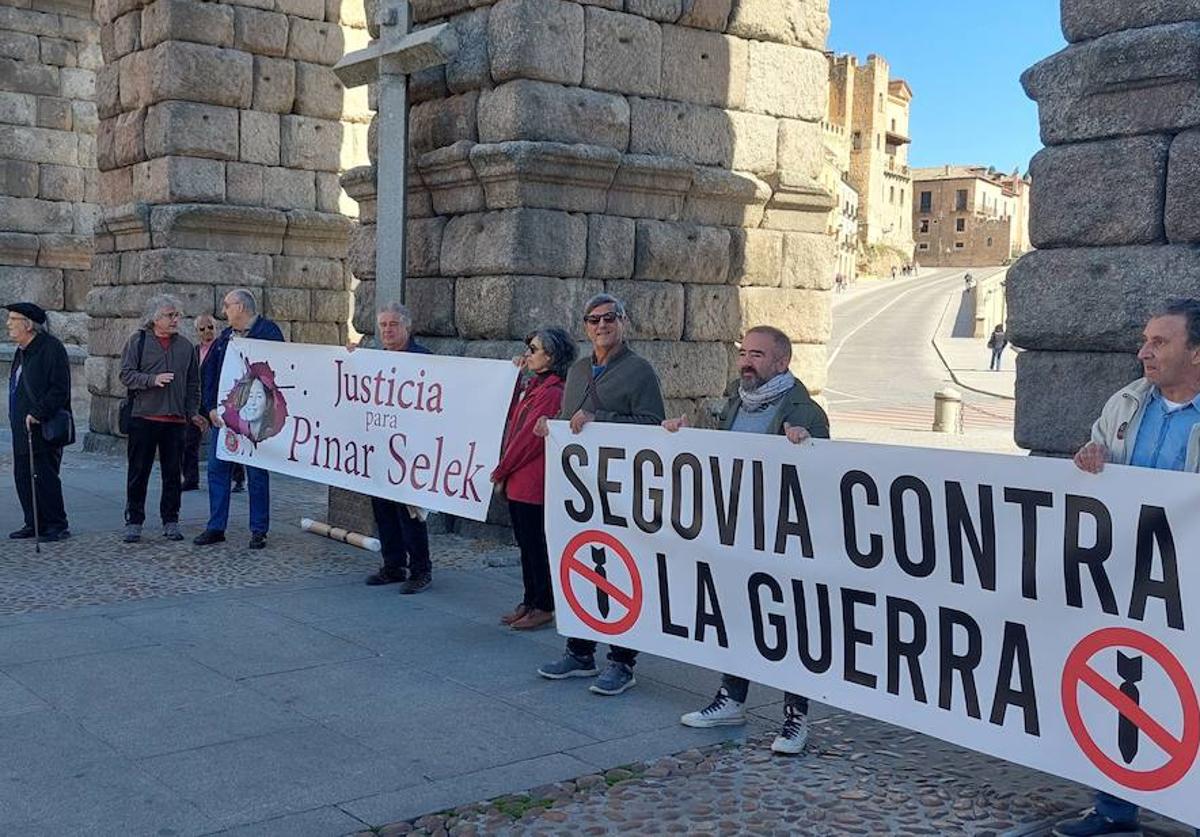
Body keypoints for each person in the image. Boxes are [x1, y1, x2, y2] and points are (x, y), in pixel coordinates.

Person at [1053, 299, 1200, 837]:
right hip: (1129, 579)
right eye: (1146, 340)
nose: (1144, 352)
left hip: (1194, 584)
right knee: (1122, 685)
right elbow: (1096, 455)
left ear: (1198, 353)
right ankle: (1113, 808)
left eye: (1160, 342)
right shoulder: (1128, 403)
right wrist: (1090, 458)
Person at [664, 325, 830, 755]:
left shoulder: (805, 410)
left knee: (785, 623)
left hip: (779, 537)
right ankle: (731, 698)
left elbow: (825, 474)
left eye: (757, 354)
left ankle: (795, 716)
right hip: (732, 529)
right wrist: (682, 431)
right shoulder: (735, 400)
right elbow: (713, 447)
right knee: (734, 613)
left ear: (782, 362)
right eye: (743, 353)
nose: (746, 361)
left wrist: (806, 447)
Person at [534, 293, 666, 696]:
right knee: (581, 568)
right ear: (586, 327)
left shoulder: (640, 372)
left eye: (610, 318)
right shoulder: (577, 370)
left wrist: (599, 419)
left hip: (620, 490)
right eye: (594, 320)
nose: (602, 325)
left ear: (624, 322)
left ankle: (623, 661)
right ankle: (579, 651)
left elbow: (651, 424)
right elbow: (571, 424)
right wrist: (551, 426)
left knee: (621, 571)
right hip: (580, 492)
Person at [492, 327, 576, 631]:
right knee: (525, 544)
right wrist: (514, 378)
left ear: (550, 357)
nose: (528, 353)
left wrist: (502, 468)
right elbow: (512, 415)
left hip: (532, 481)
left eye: (534, 348)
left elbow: (528, 441)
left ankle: (543, 603)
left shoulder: (553, 392)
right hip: (520, 480)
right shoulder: (535, 386)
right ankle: (530, 600)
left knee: (535, 545)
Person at [194, 288, 284, 550]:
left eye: (227, 305)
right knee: (217, 469)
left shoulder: (269, 333)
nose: (224, 311)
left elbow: (281, 372)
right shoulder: (224, 338)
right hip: (226, 419)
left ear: (241, 308)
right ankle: (216, 526)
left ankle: (258, 530)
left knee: (256, 473)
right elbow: (209, 374)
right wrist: (209, 408)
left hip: (255, 419)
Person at [355, 302, 435, 594]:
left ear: (406, 327)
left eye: (393, 325)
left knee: (411, 512)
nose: (387, 330)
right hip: (381, 448)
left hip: (411, 451)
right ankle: (393, 565)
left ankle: (421, 570)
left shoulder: (424, 359)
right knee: (383, 509)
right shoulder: (375, 359)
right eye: (383, 325)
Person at [119, 295, 202, 543]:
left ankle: (171, 520)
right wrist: (151, 380)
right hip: (143, 417)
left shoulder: (186, 347)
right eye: (170, 315)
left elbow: (193, 383)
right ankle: (134, 521)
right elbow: (126, 374)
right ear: (155, 318)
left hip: (175, 421)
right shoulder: (138, 341)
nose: (176, 319)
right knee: (138, 472)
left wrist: (191, 412)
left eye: (177, 315)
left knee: (173, 475)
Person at [6, 302, 71, 542]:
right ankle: (33, 522)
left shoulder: (51, 348)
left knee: (44, 475)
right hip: (21, 427)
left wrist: (38, 413)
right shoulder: (21, 350)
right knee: (23, 475)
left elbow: (59, 389)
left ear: (29, 324)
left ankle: (56, 524)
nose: (8, 324)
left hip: (43, 426)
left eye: (13, 319)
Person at [181, 315, 216, 491]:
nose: (207, 332)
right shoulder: (193, 351)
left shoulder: (220, 349)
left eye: (210, 327)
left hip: (215, 403)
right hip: (197, 403)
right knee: (189, 441)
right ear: (197, 332)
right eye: (202, 329)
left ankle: (238, 477)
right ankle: (190, 479)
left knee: (224, 441)